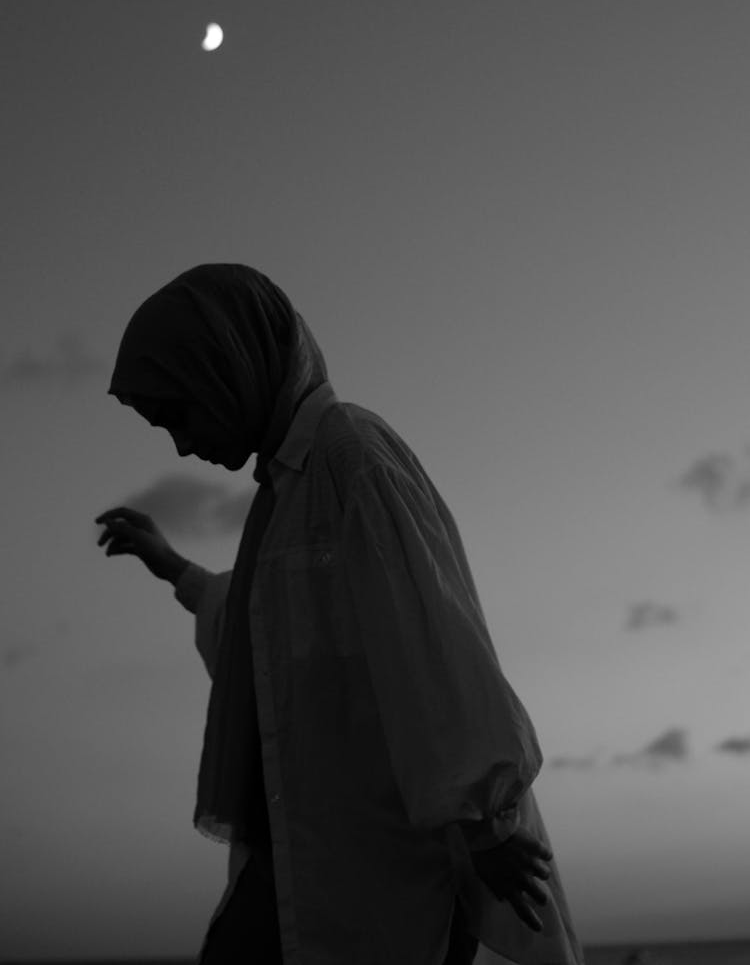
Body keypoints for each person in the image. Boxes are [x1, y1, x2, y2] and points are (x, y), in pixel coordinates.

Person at [95, 263, 584, 965]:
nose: (180, 444)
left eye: (179, 412)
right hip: (312, 860)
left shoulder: (350, 457)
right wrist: (173, 568)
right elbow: (278, 637)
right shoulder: (288, 490)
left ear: (228, 367)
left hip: (385, 872)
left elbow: (431, 635)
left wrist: (487, 823)